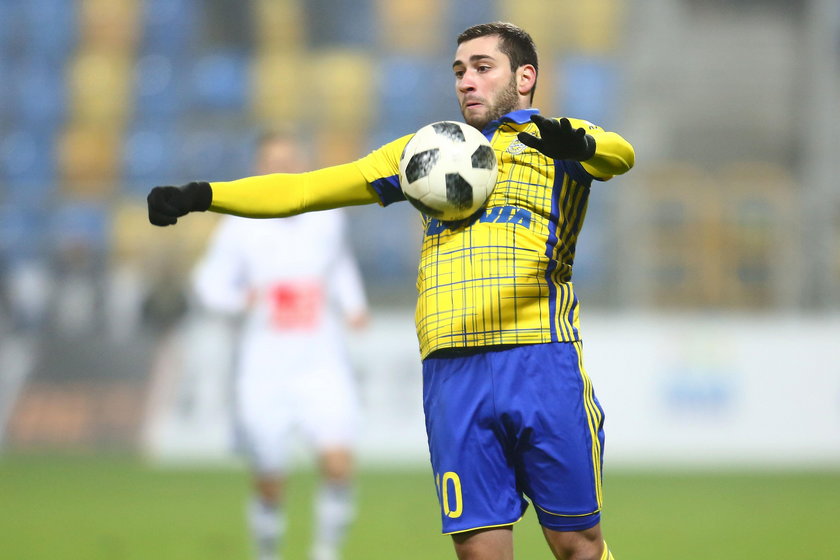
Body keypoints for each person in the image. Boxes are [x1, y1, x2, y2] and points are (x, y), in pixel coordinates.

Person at [148, 22, 634, 560]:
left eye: (481, 67)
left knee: (578, 545)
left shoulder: (557, 144)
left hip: (541, 360)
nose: (466, 82)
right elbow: (306, 188)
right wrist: (203, 194)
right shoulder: (424, 153)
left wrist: (580, 142)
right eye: (458, 71)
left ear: (525, 77)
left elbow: (619, 154)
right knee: (480, 554)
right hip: (452, 372)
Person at [190, 132, 370, 560]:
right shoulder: (239, 224)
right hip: (264, 369)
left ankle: (325, 552)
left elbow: (340, 263)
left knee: (338, 462)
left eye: (290, 159)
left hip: (322, 362)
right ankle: (268, 552)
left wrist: (353, 304)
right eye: (273, 160)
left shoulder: (326, 217)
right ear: (259, 167)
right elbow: (206, 283)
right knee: (270, 477)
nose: (282, 167)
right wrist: (238, 300)